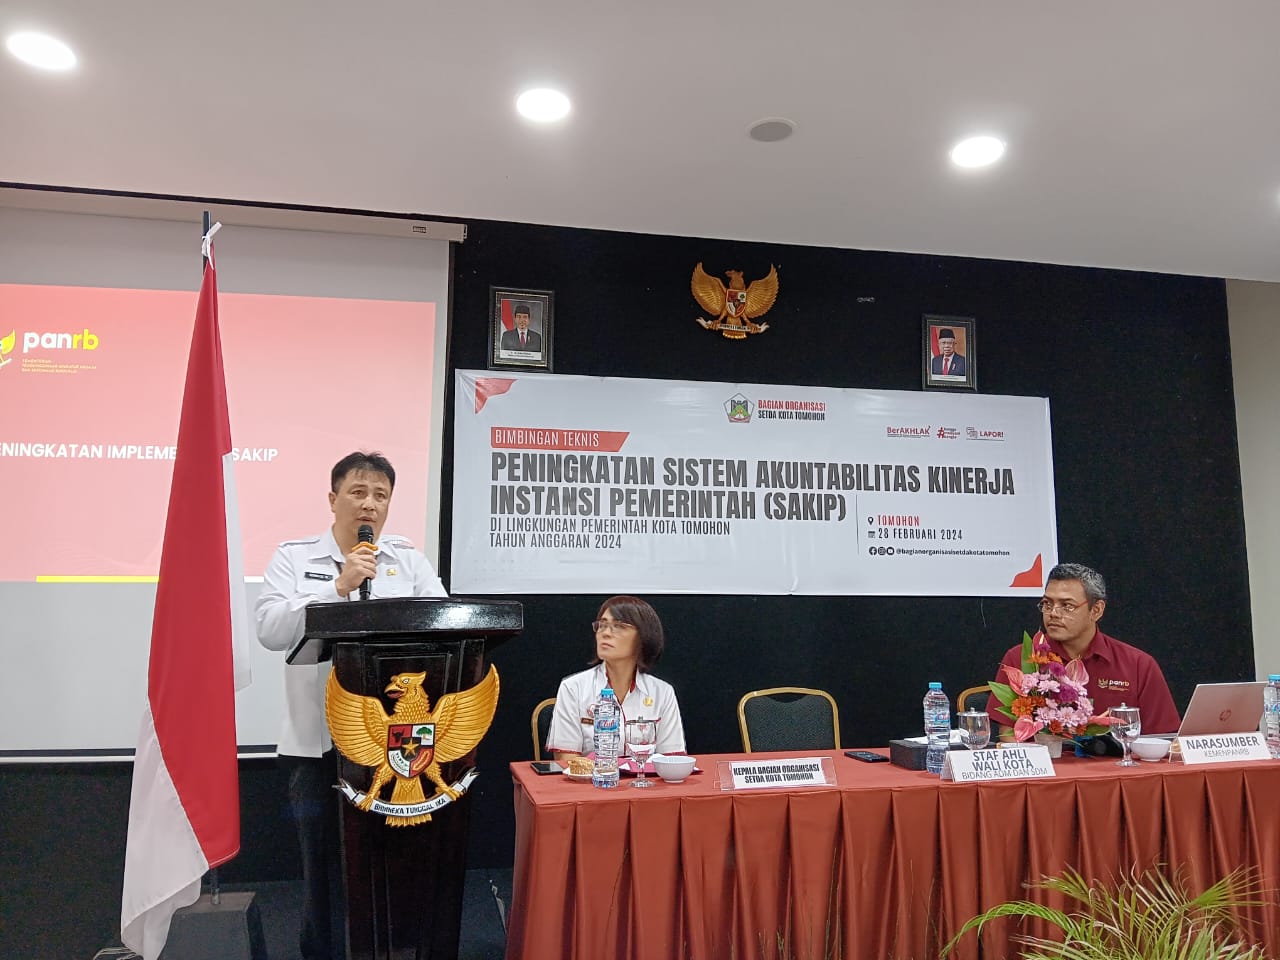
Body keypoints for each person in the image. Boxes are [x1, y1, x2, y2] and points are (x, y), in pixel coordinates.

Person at [255, 451, 447, 960]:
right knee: (322, 862)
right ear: (333, 498)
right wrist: (338, 588)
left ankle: (393, 948)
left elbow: (444, 623)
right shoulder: (295, 558)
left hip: (394, 747)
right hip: (316, 746)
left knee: (395, 857)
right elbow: (270, 629)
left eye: (381, 495)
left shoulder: (408, 561)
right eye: (358, 492)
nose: (370, 505)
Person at [986, 562, 1181, 734]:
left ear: (1096, 610)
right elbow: (1009, 736)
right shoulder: (1022, 658)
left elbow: (1161, 739)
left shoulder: (1138, 665)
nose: (1053, 613)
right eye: (1047, 604)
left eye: (1067, 606)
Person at [546, 596, 686, 760]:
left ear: (643, 637)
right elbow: (566, 761)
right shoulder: (573, 688)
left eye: (619, 626)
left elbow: (672, 761)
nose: (605, 633)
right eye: (602, 625)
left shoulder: (662, 693)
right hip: (594, 777)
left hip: (645, 777)